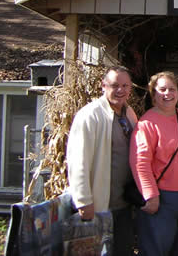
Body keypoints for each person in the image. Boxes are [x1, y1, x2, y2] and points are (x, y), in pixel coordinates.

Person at [66, 66, 138, 256]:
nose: (120, 90)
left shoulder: (129, 114)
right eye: (115, 85)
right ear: (103, 86)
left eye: (125, 85)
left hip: (124, 204)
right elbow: (77, 160)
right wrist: (83, 201)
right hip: (98, 206)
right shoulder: (90, 115)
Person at [130, 71, 178, 256]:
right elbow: (140, 162)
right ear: (154, 94)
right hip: (162, 200)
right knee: (155, 251)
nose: (167, 93)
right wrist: (151, 195)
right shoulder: (147, 123)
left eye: (172, 89)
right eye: (162, 90)